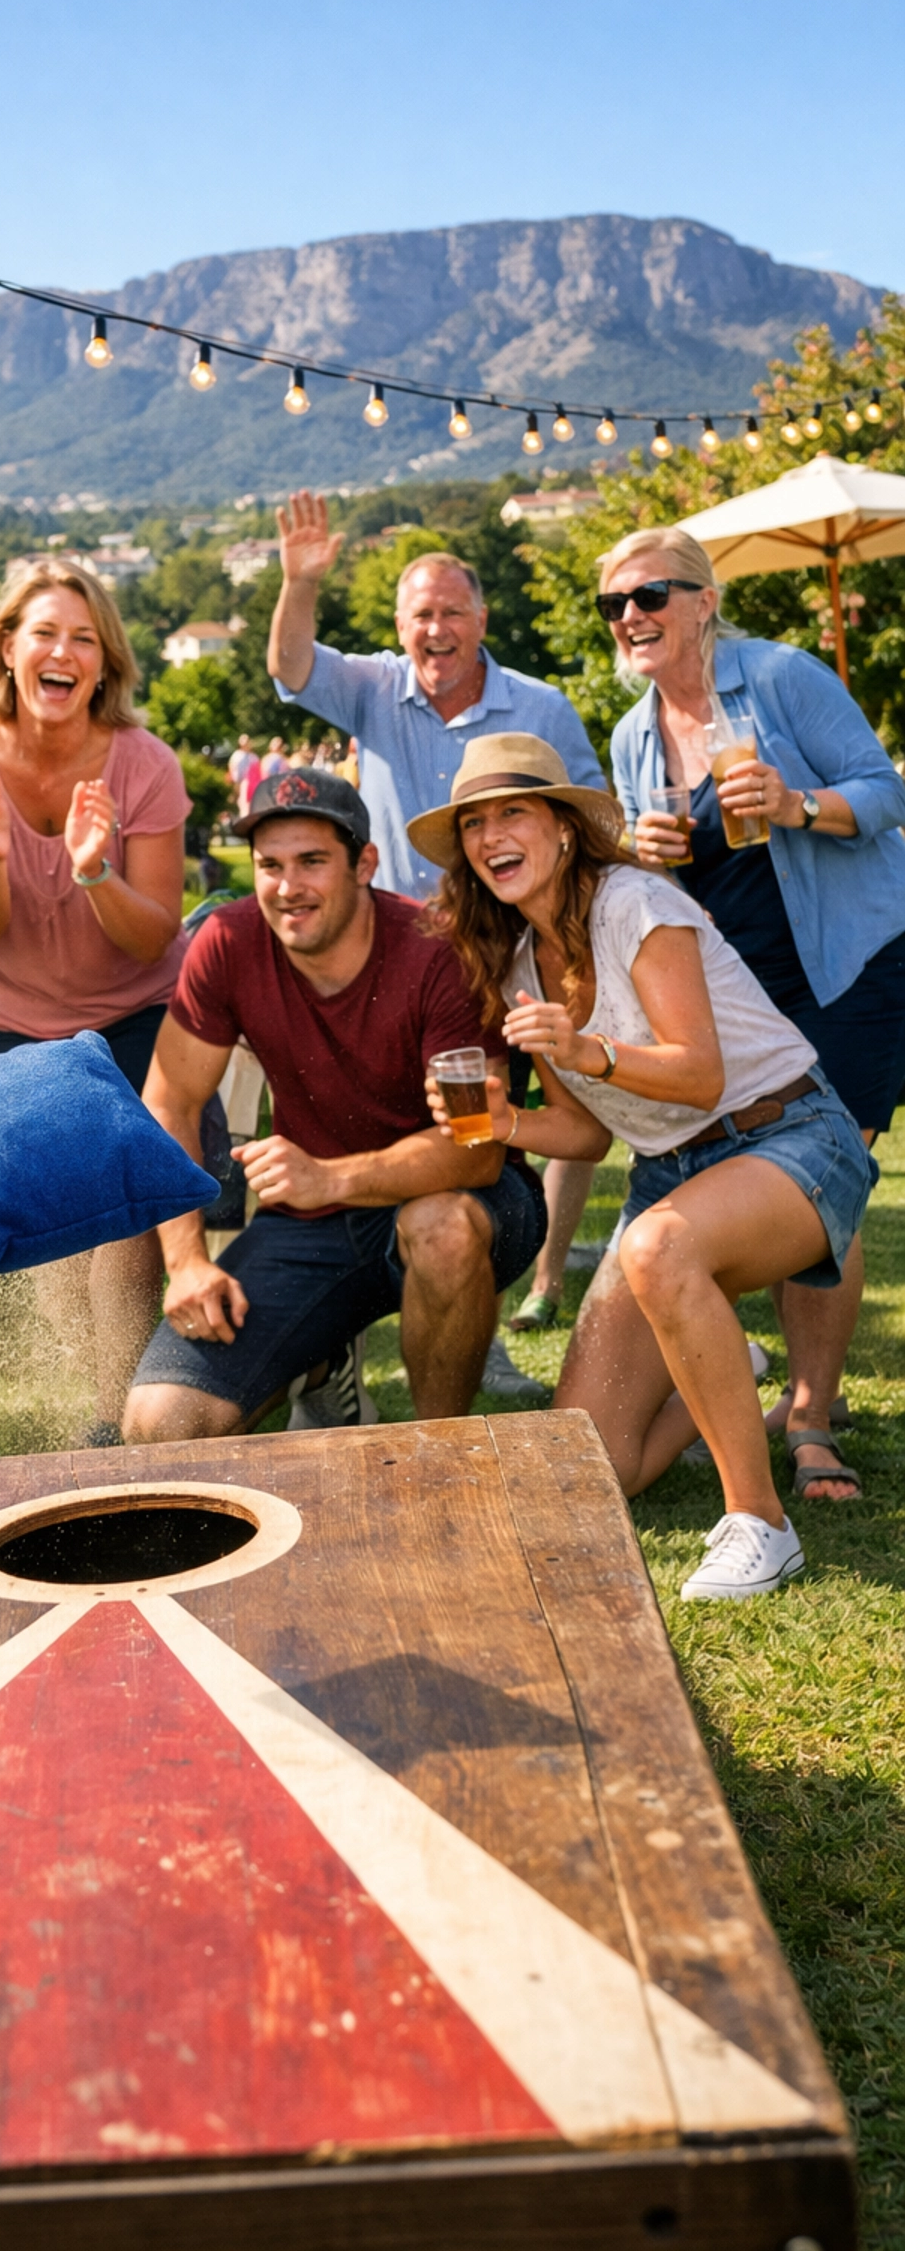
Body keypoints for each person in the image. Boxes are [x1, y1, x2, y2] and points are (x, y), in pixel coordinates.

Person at [414, 734, 876, 1601]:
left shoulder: (634, 900)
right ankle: (723, 1380)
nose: (489, 835)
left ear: (561, 829)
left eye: (513, 811)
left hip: (789, 1134)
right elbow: (587, 1137)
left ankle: (761, 1524)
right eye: (473, 823)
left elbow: (697, 1070)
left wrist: (587, 1050)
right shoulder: (521, 963)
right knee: (591, 1465)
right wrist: (511, 1120)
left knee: (658, 1249)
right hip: (673, 1175)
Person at [267, 489, 609, 1372]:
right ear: (399, 624)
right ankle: (340, 1329)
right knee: (385, 1126)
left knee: (484, 1127)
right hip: (388, 955)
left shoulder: (541, 707)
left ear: (482, 619)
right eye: (422, 614)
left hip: (509, 953)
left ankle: (480, 1313)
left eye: (453, 611)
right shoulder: (376, 687)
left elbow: (592, 827)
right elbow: (293, 668)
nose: (437, 629)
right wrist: (299, 582)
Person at [606, 525, 905, 1500]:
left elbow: (882, 793)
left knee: (826, 1191)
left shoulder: (779, 680)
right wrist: (638, 854)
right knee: (757, 1183)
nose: (631, 618)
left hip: (845, 969)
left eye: (650, 595)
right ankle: (743, 1379)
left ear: (703, 601)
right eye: (613, 605)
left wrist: (796, 802)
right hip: (739, 996)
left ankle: (812, 1416)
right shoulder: (631, 735)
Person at [122, 768, 547, 1445]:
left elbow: (476, 1148)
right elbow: (168, 1105)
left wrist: (331, 1176)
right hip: (314, 1220)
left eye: (313, 861)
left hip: (468, 1198)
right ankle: (320, 1367)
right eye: (271, 865)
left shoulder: (440, 952)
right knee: (161, 1426)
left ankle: (442, 1456)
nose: (289, 888)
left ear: (364, 864)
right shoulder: (227, 942)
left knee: (440, 1229)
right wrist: (188, 1262)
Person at [0, 559, 188, 1440]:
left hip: (133, 1012)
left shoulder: (144, 766)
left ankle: (118, 1404)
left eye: (84, 638)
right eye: (44, 632)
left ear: (104, 666)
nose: (63, 651)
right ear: (7, 648)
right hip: (14, 1017)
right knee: (48, 1227)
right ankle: (93, 1403)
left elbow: (152, 936)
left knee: (118, 1218)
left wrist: (93, 871)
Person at [228, 732, 261, 817]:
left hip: (250, 784)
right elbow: (232, 768)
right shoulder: (236, 755)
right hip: (238, 782)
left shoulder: (253, 757)